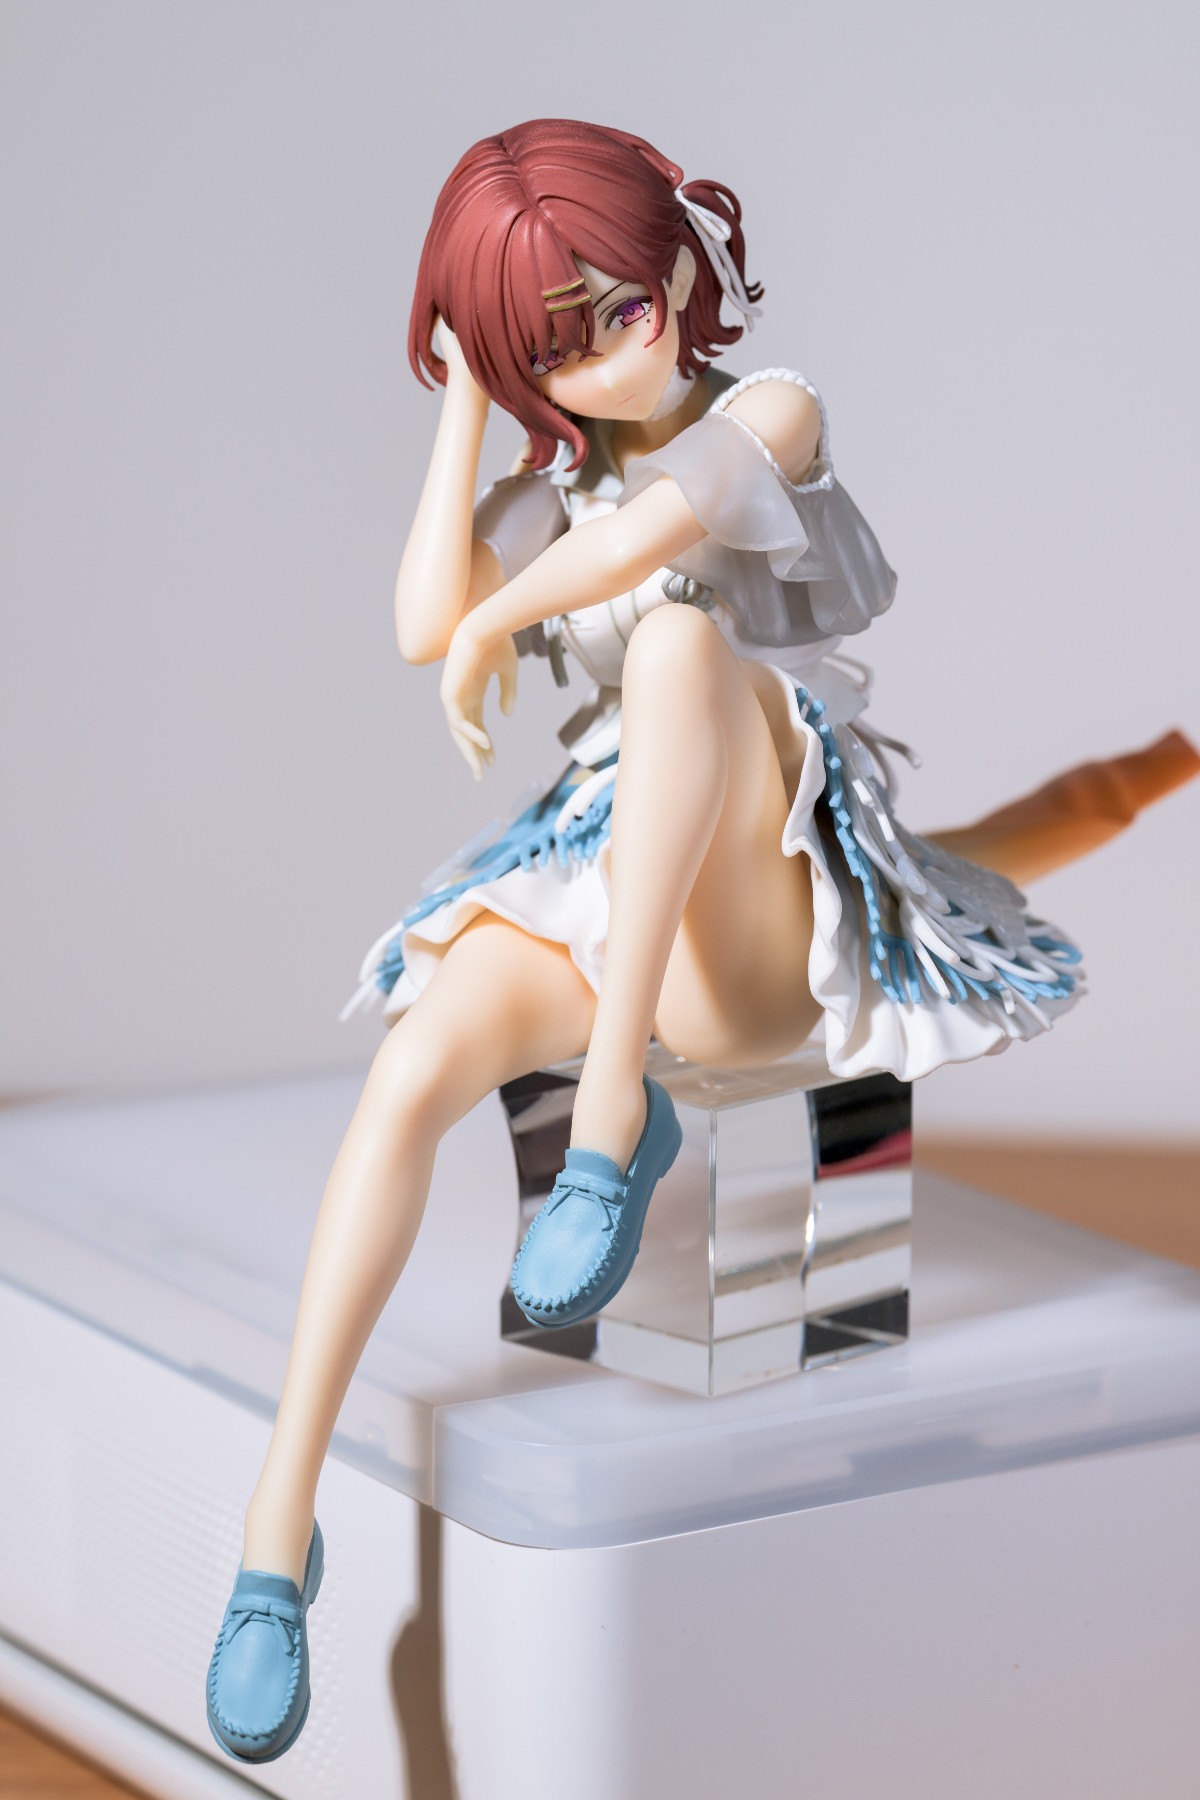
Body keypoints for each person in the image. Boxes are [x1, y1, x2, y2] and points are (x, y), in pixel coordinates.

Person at [206, 117, 1198, 1764]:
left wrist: (506, 616)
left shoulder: (768, 412)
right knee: (408, 1069)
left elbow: (655, 541)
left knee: (676, 646)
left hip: (751, 921)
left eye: (621, 298)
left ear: (676, 257)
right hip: (602, 881)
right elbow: (418, 625)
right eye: (556, 343)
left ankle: (616, 1113)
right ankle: (272, 1527)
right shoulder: (550, 484)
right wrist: (463, 394)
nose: (616, 348)